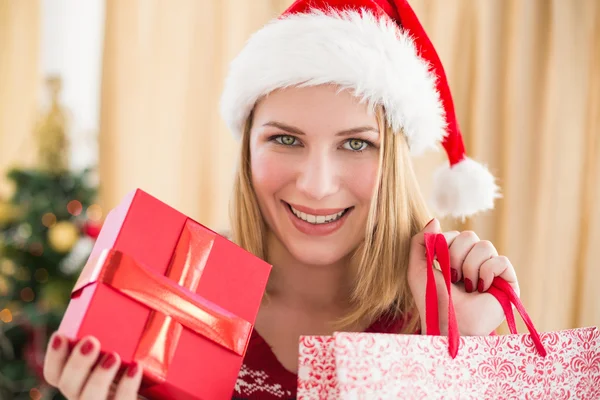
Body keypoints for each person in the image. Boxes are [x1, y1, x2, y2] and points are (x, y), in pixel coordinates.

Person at [43, 0, 518, 399]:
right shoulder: (174, 298)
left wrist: (463, 348)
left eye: (356, 144)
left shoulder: (440, 318)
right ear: (248, 147)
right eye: (286, 140)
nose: (315, 185)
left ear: (394, 163)